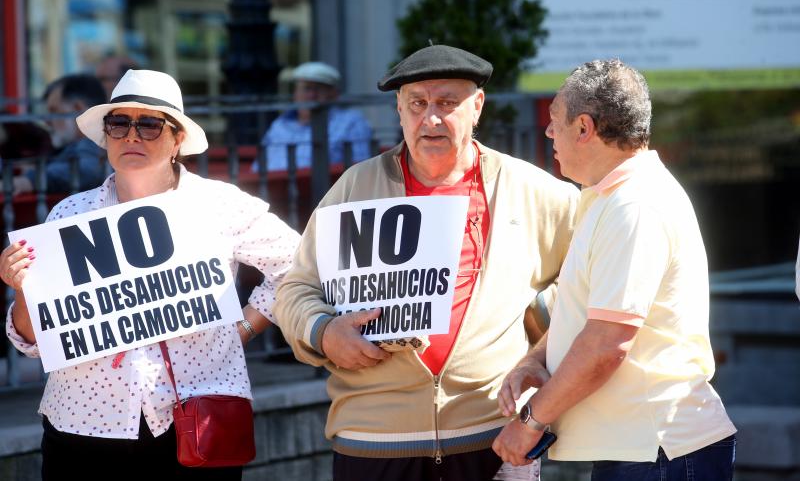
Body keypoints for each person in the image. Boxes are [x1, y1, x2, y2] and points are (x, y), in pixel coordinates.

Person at [273, 44, 578, 481]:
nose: (431, 118)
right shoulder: (356, 187)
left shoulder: (531, 190)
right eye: (417, 103)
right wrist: (324, 332)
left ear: (477, 106)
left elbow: (591, 276)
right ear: (399, 110)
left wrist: (541, 325)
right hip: (372, 440)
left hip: (493, 436)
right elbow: (295, 289)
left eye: (447, 103)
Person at [2, 69, 300, 480]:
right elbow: (33, 341)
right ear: (106, 135)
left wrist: (245, 327)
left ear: (178, 139)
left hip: (195, 421)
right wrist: (21, 289)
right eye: (119, 123)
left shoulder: (219, 204)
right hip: (82, 424)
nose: (132, 136)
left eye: (149, 125)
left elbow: (296, 266)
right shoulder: (69, 214)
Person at [492, 59, 737, 480]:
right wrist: (536, 359)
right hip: (647, 449)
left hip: (658, 450)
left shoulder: (633, 205)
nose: (548, 133)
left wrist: (530, 421)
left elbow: (606, 344)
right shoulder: (614, 198)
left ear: (583, 127)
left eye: (554, 121)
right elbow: (594, 319)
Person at [257, 61, 373, 171]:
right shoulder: (280, 124)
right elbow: (258, 166)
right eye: (306, 89)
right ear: (295, 94)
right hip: (267, 185)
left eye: (318, 89)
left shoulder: (351, 122)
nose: (311, 95)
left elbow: (360, 171)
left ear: (334, 94)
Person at [12, 74, 107, 195]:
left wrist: (28, 181)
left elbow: (87, 170)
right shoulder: (82, 145)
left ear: (78, 109)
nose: (47, 121)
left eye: (53, 110)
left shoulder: (92, 143)